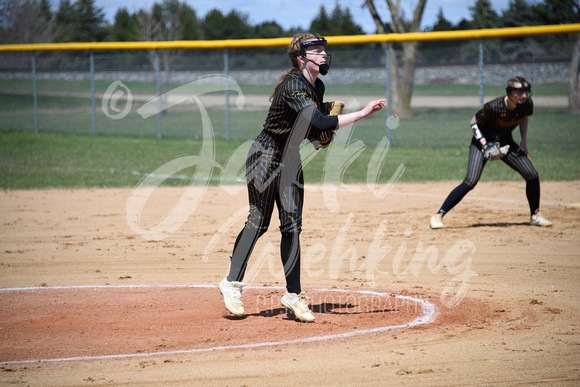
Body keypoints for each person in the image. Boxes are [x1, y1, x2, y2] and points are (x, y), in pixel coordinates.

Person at [218, 32, 385, 322]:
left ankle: (293, 295)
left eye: (323, 49)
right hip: (266, 154)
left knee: (292, 227)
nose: (322, 54)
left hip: (291, 158)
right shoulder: (293, 84)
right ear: (300, 58)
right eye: (316, 50)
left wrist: (321, 140)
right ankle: (231, 283)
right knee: (258, 222)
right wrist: (361, 114)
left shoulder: (316, 86)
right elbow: (319, 120)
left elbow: (312, 130)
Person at [430, 76, 552, 229]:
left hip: (505, 142)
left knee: (532, 174)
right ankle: (438, 215)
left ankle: (535, 215)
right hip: (481, 143)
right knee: (470, 181)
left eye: (526, 91)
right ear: (509, 92)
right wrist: (485, 145)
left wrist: (524, 141)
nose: (524, 96)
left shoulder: (526, 104)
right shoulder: (494, 106)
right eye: (519, 92)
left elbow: (524, 118)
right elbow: (473, 123)